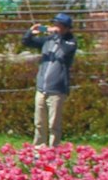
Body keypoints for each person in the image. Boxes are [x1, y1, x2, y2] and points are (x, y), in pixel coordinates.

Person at [27, 15, 75, 146]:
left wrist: (58, 36)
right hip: (41, 88)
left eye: (58, 25)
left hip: (57, 90)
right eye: (54, 24)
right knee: (39, 122)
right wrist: (31, 32)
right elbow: (27, 42)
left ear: (65, 28)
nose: (55, 27)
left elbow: (66, 51)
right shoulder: (48, 40)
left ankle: (53, 150)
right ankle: (38, 150)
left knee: (54, 124)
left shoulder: (70, 42)